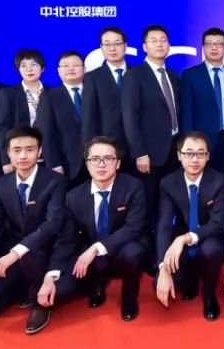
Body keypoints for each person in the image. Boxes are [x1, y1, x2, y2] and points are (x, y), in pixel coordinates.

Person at [34, 136, 148, 330]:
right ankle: (96, 283)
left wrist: (97, 248)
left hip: (120, 248)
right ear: (87, 164)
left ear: (118, 163)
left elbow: (133, 228)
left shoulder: (133, 187)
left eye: (108, 159)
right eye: (94, 159)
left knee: (133, 252)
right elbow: (67, 240)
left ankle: (129, 296)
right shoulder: (73, 196)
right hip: (87, 256)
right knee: (55, 293)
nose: (101, 164)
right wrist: (51, 276)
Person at [0, 126, 70, 332]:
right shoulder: (0, 185)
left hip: (44, 253)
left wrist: (16, 252)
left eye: (30, 149)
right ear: (8, 152)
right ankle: (18, 288)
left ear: (40, 151)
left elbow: (52, 224)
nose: (23, 156)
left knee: (31, 256)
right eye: (17, 150)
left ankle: (39, 302)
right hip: (12, 258)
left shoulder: (55, 181)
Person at [154, 132, 224, 321]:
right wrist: (162, 267)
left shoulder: (219, 181)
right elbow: (163, 225)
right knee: (162, 283)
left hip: (208, 237)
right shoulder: (168, 183)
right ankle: (191, 279)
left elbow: (218, 223)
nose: (195, 159)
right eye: (189, 153)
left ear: (208, 156)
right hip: (182, 243)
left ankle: (209, 295)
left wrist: (185, 238)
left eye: (200, 153)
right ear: (179, 155)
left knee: (212, 250)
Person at [121, 24, 181, 221]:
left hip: (174, 151)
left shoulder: (173, 75)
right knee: (146, 205)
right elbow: (130, 116)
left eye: (163, 40)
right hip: (148, 154)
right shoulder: (134, 75)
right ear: (144, 46)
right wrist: (139, 153)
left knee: (171, 204)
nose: (159, 44)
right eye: (154, 40)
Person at [179, 27, 224, 174]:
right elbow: (186, 113)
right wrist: (187, 146)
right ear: (203, 47)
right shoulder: (190, 75)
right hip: (200, 144)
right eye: (209, 44)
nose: (214, 48)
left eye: (218, 44)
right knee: (202, 182)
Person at [37, 50, 89, 188]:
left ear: (84, 69)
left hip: (97, 162)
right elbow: (46, 133)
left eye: (75, 65)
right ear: (59, 71)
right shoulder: (49, 97)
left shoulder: (94, 92)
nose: (71, 68)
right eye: (66, 66)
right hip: (66, 165)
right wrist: (54, 164)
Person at [0, 49, 49, 173]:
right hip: (20, 155)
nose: (29, 69)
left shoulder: (52, 92)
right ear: (18, 69)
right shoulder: (8, 94)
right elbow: (3, 128)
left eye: (33, 65)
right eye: (23, 66)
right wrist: (6, 160)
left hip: (49, 155)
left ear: (42, 68)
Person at [82, 26, 130, 161]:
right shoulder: (93, 77)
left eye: (117, 43)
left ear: (125, 46)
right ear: (101, 47)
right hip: (107, 147)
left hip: (138, 146)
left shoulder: (138, 73)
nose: (112, 48)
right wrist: (91, 150)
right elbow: (88, 117)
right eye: (107, 44)